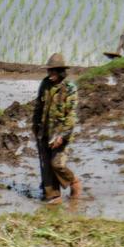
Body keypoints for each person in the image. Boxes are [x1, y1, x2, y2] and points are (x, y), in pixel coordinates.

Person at [32, 53, 81, 204]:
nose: (50, 74)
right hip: (44, 131)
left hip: (60, 132)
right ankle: (54, 196)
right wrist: (34, 124)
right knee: (46, 165)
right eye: (49, 71)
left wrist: (62, 135)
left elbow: (71, 116)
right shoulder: (45, 84)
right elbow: (38, 106)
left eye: (53, 71)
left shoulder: (70, 88)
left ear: (61, 71)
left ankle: (74, 182)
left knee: (57, 164)